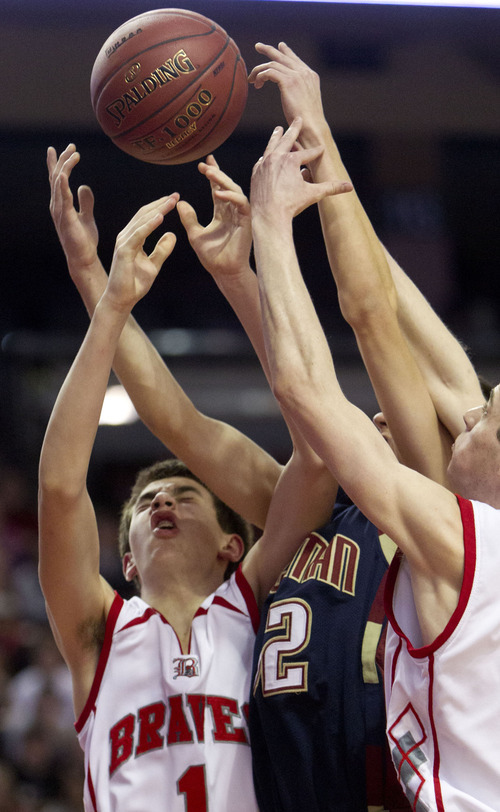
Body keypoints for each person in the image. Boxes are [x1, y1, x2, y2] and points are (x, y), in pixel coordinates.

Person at [37, 194, 342, 811]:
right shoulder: (98, 631)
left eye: (183, 496)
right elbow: (60, 488)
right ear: (126, 560)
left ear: (236, 543)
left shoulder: (255, 604)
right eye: (147, 502)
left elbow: (317, 452)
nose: (161, 505)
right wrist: (107, 299)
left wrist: (239, 276)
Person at [250, 115, 500, 811]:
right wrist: (323, 146)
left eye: (485, 419)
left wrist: (271, 228)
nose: (468, 414)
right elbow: (381, 314)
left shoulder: (473, 548)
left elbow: (306, 388)